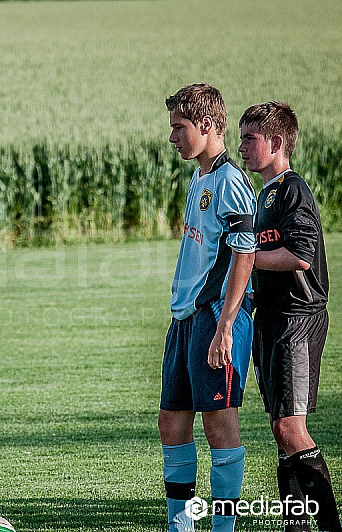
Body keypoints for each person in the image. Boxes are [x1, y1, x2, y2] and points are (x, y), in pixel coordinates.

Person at [239, 101, 341, 532]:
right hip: (272, 319)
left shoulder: (291, 188)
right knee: (281, 434)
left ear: (277, 142)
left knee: (290, 428)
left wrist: (248, 260)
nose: (240, 146)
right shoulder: (265, 193)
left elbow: (301, 255)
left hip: (297, 319)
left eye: (250, 138)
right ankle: (295, 528)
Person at [159, 84, 257, 532]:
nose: (173, 137)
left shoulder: (231, 181)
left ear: (208, 126)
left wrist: (225, 326)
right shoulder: (199, 177)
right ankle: (181, 525)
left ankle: (223, 529)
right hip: (185, 319)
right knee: (171, 422)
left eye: (180, 127)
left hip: (216, 318)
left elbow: (244, 253)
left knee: (219, 426)